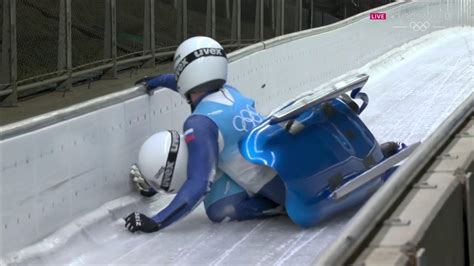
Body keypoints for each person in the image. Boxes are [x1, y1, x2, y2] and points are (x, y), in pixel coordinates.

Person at [124, 36, 404, 233]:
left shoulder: (200, 124)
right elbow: (188, 84)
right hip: (291, 149)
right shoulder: (228, 93)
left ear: (186, 74)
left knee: (217, 210)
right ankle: (375, 152)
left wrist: (157, 221)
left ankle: (277, 207)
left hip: (283, 185)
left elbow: (199, 184)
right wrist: (159, 82)